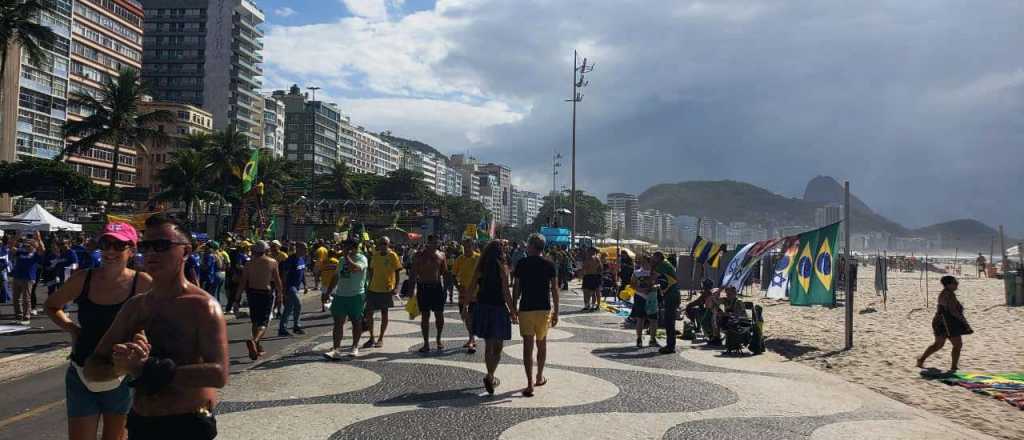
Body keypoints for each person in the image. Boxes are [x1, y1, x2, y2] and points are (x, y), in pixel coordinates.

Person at [83, 214, 228, 440]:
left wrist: (145, 368)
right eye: (145, 246)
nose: (150, 253)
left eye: (161, 245)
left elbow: (218, 374)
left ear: (186, 252)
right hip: (142, 424)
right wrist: (120, 367)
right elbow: (93, 367)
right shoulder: (136, 307)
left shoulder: (202, 307)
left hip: (187, 426)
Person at [46, 222, 153, 440]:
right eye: (106, 244)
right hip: (81, 369)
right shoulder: (83, 279)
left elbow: (161, 319)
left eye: (119, 245)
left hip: (122, 376)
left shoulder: (142, 283)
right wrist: (71, 328)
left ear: (131, 250)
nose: (110, 251)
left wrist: (142, 334)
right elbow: (52, 305)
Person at [512, 234, 559, 397]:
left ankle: (530, 382)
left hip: (526, 308)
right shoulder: (549, 264)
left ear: (531, 246)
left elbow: (516, 288)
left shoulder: (522, 264)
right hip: (544, 309)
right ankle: (539, 376)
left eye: (528, 245)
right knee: (541, 343)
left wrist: (513, 308)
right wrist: (557, 311)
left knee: (527, 346)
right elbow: (554, 289)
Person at [472, 241, 517, 395]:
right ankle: (490, 376)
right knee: (498, 346)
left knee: (489, 344)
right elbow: (506, 292)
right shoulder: (502, 267)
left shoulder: (481, 266)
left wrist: (467, 305)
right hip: (498, 308)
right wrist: (512, 311)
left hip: (483, 307)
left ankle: (490, 375)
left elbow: (472, 286)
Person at [235, 241, 283, 360]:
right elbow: (277, 280)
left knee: (255, 321)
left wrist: (237, 299)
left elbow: (242, 282)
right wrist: (280, 295)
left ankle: (257, 346)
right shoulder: (272, 262)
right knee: (264, 323)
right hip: (265, 294)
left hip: (252, 293)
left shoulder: (248, 263)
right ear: (266, 251)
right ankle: (254, 340)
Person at [323, 238, 368, 359]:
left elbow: (356, 268)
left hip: (356, 295)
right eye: (343, 247)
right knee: (338, 322)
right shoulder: (342, 260)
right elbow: (336, 276)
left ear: (354, 247)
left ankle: (354, 347)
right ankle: (336, 349)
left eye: (346, 247)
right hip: (340, 295)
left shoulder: (361, 258)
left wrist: (347, 257)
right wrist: (328, 292)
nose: (343, 249)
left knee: (356, 322)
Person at [917, 276, 972, 371]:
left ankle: (921, 360)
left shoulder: (948, 293)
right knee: (956, 344)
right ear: (948, 284)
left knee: (938, 344)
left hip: (941, 321)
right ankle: (954, 367)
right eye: (955, 283)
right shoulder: (948, 295)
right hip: (946, 322)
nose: (957, 284)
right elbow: (953, 311)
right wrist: (964, 322)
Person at [363, 237, 402, 349]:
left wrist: (396, 287)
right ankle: (371, 337)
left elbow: (398, 271)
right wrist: (367, 286)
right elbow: (371, 271)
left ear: (389, 244)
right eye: (381, 243)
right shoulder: (375, 255)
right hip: (373, 289)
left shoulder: (393, 255)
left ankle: (380, 338)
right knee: (369, 314)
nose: (383, 245)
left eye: (385, 243)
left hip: (386, 289)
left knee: (384, 314)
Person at [411, 235, 448, 353]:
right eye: (433, 242)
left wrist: (446, 288)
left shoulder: (441, 255)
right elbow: (413, 273)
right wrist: (411, 291)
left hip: (437, 287)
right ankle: (426, 342)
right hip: (423, 287)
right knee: (425, 316)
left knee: (439, 315)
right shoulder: (419, 255)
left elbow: (444, 272)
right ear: (428, 243)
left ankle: (438, 339)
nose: (435, 245)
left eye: (436, 243)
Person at [10, 232, 44, 324]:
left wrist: (39, 238)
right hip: (17, 277)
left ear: (34, 246)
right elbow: (11, 248)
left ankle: (26, 318)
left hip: (28, 278)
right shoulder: (21, 251)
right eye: (26, 245)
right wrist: (16, 238)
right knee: (16, 298)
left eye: (29, 245)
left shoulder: (36, 254)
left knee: (26, 299)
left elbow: (42, 249)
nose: (26, 246)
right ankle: (18, 316)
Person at [453, 238, 481, 353]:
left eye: (469, 245)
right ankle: (471, 337)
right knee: (465, 316)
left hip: (476, 293)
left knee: (472, 316)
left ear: (473, 246)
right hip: (463, 293)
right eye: (465, 246)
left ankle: (471, 339)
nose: (467, 248)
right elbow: (453, 275)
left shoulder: (479, 258)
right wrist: (458, 286)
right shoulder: (460, 259)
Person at [652, 251, 681, 354]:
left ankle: (670, 346)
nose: (652, 259)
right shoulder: (665, 264)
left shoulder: (662, 264)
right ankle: (670, 345)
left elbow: (653, 277)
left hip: (671, 296)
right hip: (673, 294)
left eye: (654, 258)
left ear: (659, 257)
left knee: (669, 321)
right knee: (669, 321)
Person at [278, 242, 308, 336]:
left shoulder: (302, 259)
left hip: (297, 287)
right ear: (298, 248)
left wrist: (305, 285)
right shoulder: (290, 259)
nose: (306, 251)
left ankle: (282, 329)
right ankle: (296, 326)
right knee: (298, 304)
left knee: (288, 308)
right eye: (304, 248)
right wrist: (284, 289)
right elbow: (284, 274)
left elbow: (302, 273)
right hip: (290, 287)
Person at [631, 271, 660, 348]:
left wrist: (654, 287)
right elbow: (632, 285)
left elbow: (659, 284)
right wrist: (642, 290)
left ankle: (649, 340)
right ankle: (642, 339)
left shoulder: (655, 272)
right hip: (643, 297)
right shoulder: (638, 272)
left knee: (651, 319)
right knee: (643, 319)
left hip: (649, 297)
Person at [580, 247, 603, 311]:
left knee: (594, 292)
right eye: (588, 251)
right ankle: (588, 305)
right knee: (587, 292)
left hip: (593, 276)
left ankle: (594, 305)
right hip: (588, 276)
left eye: (589, 251)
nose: (588, 252)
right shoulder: (589, 258)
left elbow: (600, 268)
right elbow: (584, 268)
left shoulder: (596, 258)